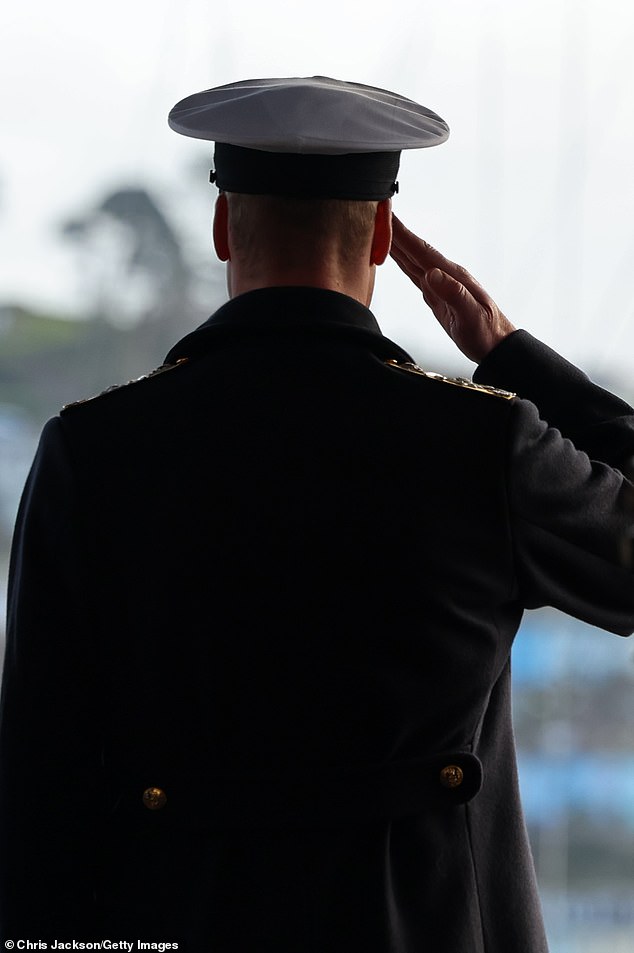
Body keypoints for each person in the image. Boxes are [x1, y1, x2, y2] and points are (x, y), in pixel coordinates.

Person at [1, 77, 633, 953]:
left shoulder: (93, 451)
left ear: (223, 227)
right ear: (380, 236)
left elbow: (40, 784)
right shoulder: (483, 444)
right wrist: (510, 356)